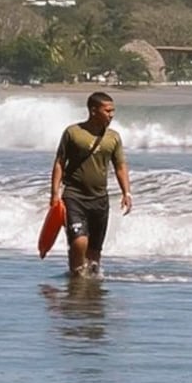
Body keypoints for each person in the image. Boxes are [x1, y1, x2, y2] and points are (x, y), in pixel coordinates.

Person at [50, 91, 133, 277]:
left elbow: (120, 166)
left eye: (113, 111)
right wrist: (55, 194)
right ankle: (77, 276)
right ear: (93, 110)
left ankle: (90, 284)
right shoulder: (73, 132)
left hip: (100, 199)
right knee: (79, 242)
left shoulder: (113, 137)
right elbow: (59, 163)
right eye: (107, 111)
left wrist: (126, 193)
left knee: (95, 250)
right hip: (74, 196)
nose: (111, 115)